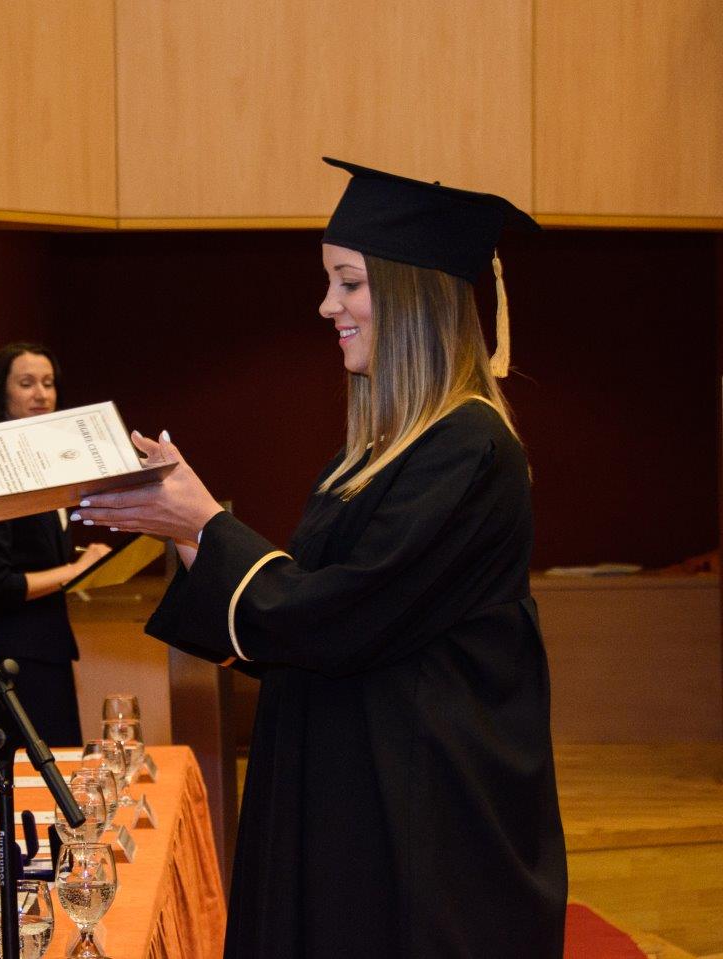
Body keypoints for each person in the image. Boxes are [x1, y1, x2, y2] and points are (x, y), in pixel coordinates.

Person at [73, 158, 568, 957]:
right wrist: (190, 530)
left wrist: (204, 523)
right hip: (353, 786)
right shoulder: (372, 453)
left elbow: (338, 613)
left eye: (349, 283)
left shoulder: (469, 447)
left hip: (423, 815)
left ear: (410, 295)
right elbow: (307, 613)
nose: (326, 305)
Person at [0, 343, 111, 764]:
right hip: (13, 660)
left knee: (60, 783)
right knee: (23, 785)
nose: (41, 394)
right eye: (26, 384)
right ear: (1, 394)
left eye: (48, 383)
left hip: (50, 649)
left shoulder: (49, 466)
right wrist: (77, 569)